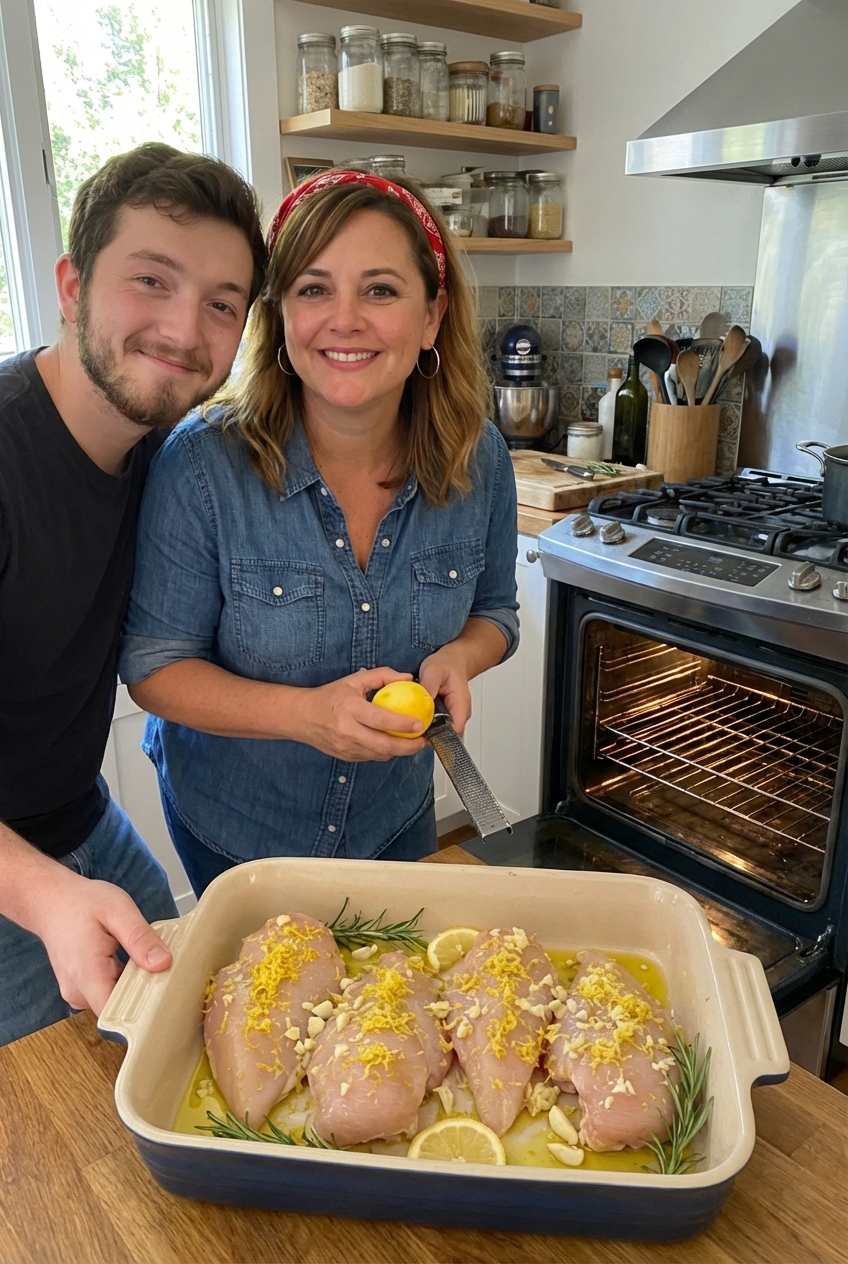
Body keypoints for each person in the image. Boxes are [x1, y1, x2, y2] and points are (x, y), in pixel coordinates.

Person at [120, 170, 519, 895]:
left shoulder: (479, 456)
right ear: (279, 316)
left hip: (397, 818)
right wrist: (304, 717)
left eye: (380, 290)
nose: (345, 319)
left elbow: (497, 612)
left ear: (432, 316)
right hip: (241, 832)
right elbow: (154, 666)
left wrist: (462, 656)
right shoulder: (204, 465)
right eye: (313, 289)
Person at [0, 143, 266, 1044]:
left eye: (222, 304)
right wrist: (41, 891)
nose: (187, 331)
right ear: (72, 285)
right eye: (151, 280)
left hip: (87, 826)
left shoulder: (172, 454)